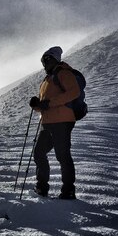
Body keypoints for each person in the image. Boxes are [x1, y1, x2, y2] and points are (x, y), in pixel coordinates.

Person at [29, 46, 80, 199]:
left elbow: (74, 92)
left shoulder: (63, 73)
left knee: (62, 155)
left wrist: (48, 103)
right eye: (43, 61)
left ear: (55, 59)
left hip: (63, 121)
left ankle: (68, 190)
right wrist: (37, 105)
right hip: (48, 122)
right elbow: (46, 106)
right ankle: (42, 187)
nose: (45, 63)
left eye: (47, 59)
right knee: (39, 153)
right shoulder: (47, 80)